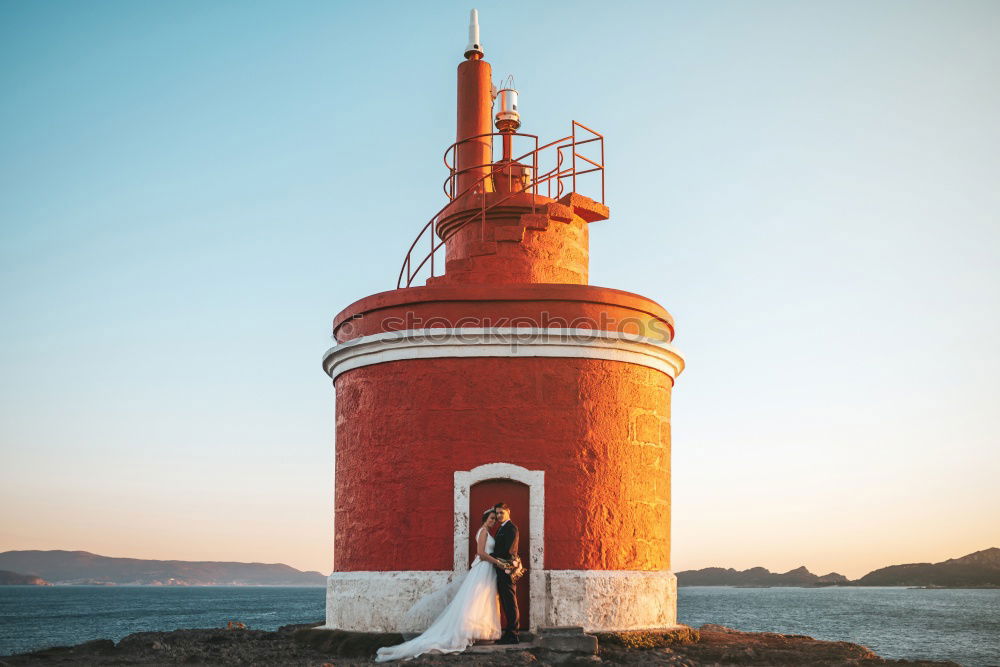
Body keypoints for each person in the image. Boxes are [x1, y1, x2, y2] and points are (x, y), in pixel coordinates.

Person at [375, 509, 504, 662]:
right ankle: (468, 632)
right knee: (476, 601)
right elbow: (481, 553)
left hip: (486, 569)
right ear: (485, 518)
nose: (493, 521)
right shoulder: (483, 532)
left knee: (482, 601)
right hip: (483, 568)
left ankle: (480, 633)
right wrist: (498, 562)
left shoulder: (487, 532)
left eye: (495, 519)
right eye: (491, 518)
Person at [491, 502, 521, 644]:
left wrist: (490, 556)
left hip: (507, 570)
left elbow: (508, 552)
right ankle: (510, 632)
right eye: (497, 513)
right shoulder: (501, 528)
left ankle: (513, 634)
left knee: (510, 602)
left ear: (508, 512)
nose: (499, 515)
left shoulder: (511, 528)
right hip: (501, 569)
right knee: (506, 601)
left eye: (501, 512)